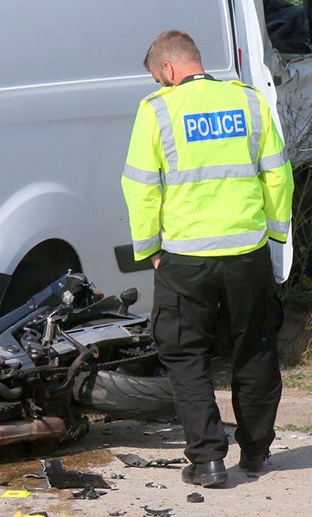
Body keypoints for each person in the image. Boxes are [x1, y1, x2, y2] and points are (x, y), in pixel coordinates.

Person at [121, 30, 293, 488]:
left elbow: (139, 186)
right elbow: (277, 175)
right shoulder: (250, 102)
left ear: (169, 69)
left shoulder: (157, 110)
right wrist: (274, 238)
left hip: (185, 258)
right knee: (254, 350)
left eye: (159, 77)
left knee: (185, 356)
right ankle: (255, 453)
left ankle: (209, 460)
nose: (159, 84)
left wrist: (150, 249)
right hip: (247, 253)